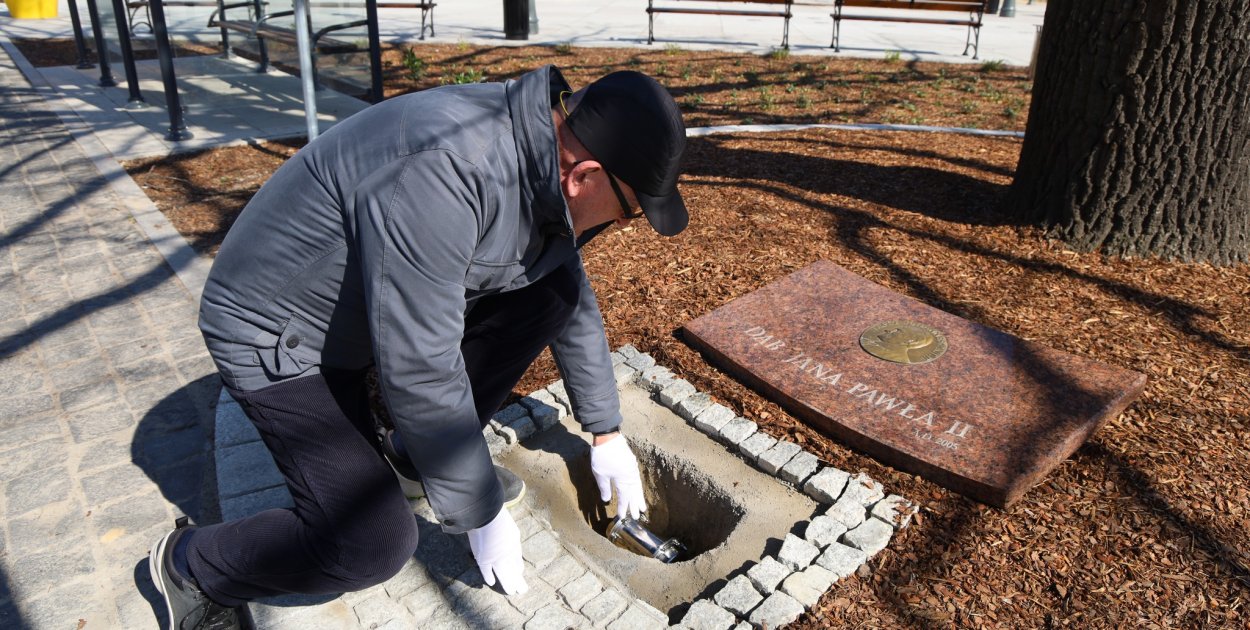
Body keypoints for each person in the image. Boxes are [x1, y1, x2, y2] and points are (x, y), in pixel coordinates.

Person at [145, 64, 688, 629]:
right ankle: (193, 566)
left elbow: (564, 288)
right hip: (278, 332)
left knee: (549, 296)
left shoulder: (537, 154)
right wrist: (479, 508)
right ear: (587, 176)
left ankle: (411, 460)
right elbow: (421, 366)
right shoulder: (446, 170)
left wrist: (605, 430)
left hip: (355, 314)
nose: (627, 224)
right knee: (372, 542)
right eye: (630, 211)